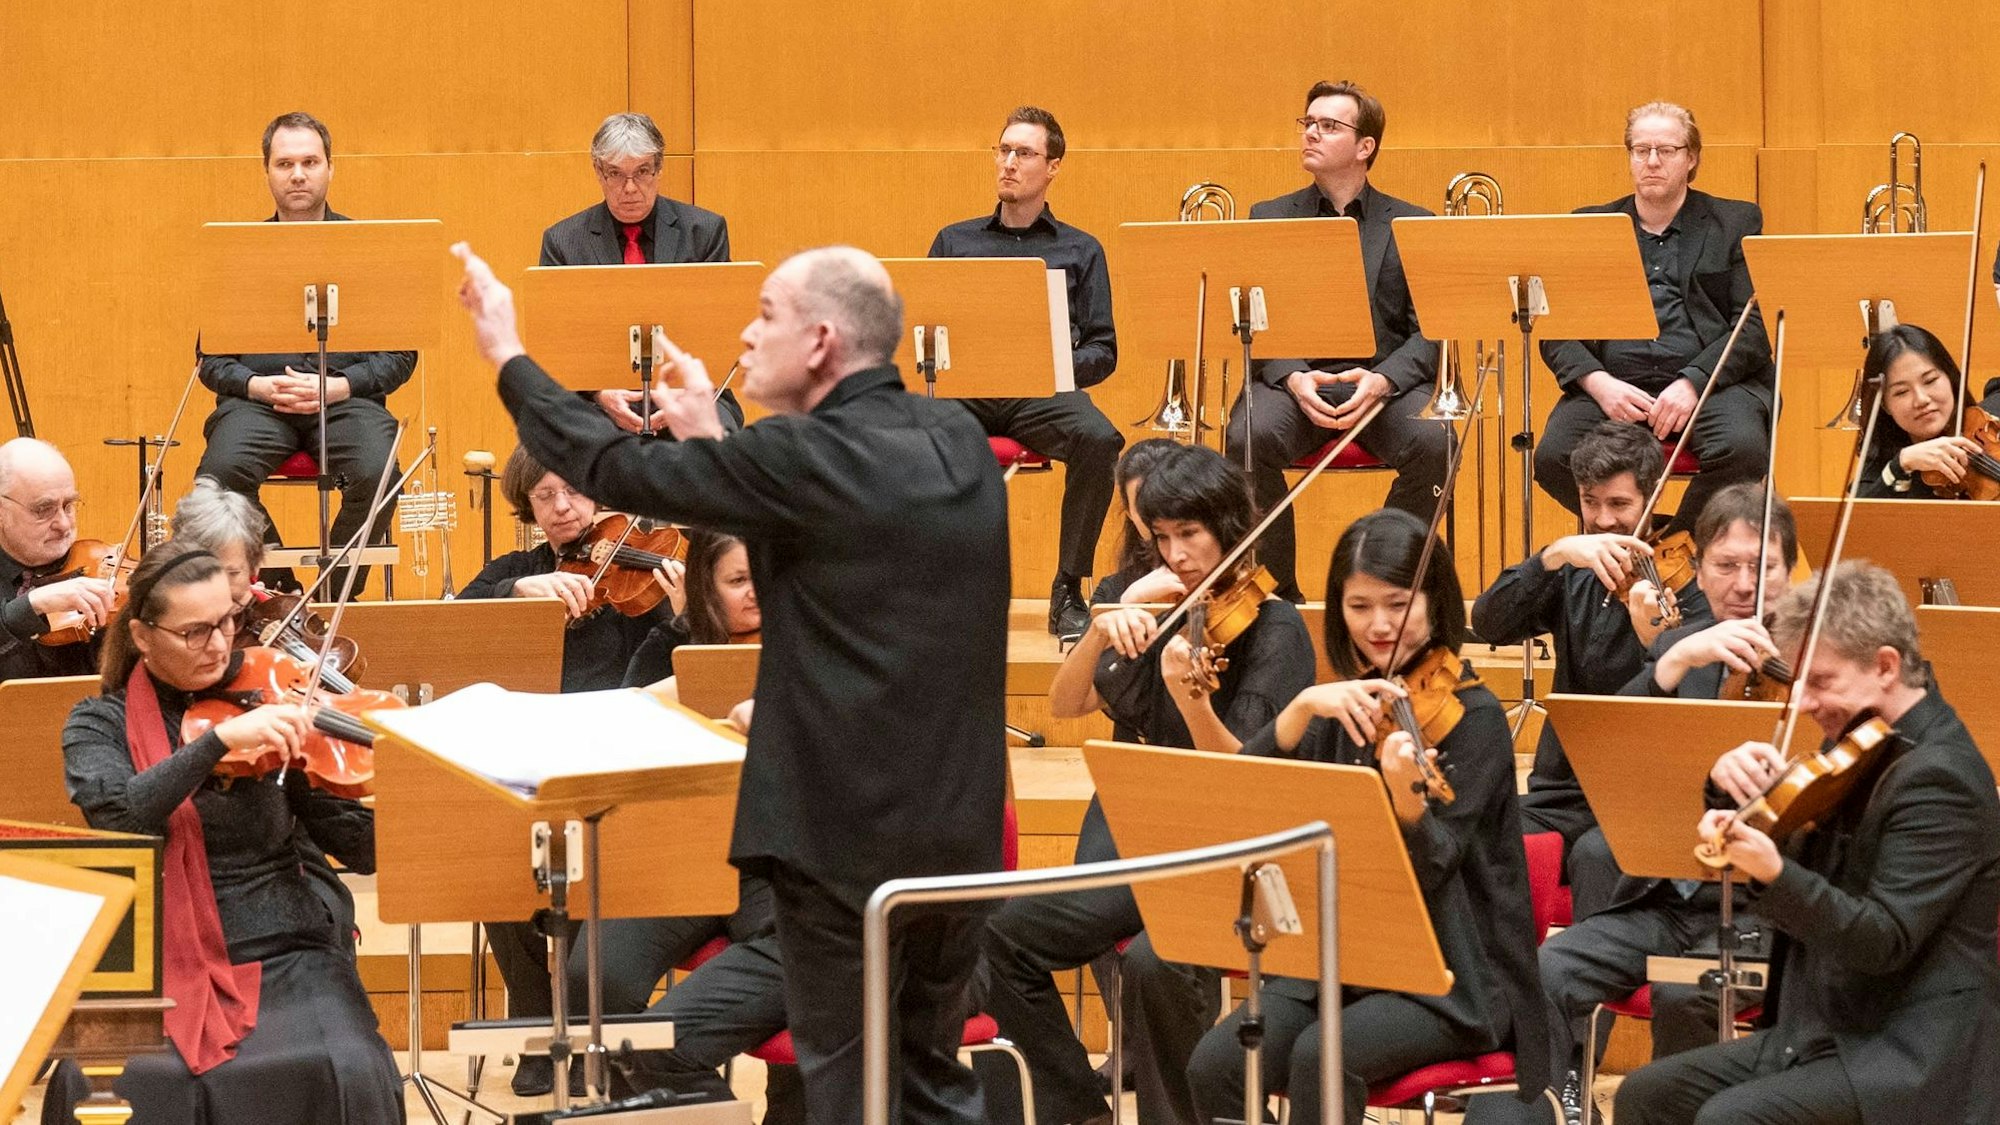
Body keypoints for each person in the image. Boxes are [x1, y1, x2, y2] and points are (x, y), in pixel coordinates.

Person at [455, 240, 1009, 1124]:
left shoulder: (803, 457)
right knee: (927, 1077)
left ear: (822, 340)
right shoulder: (956, 442)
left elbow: (613, 468)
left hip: (842, 842)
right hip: (959, 829)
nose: (745, 338)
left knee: (850, 1089)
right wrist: (715, 443)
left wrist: (507, 356)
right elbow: (835, 552)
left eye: (764, 315)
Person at [979, 442, 1315, 1125]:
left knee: (1155, 964)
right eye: (1161, 538)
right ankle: (1078, 1107)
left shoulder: (1276, 628)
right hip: (1141, 817)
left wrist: (1191, 699)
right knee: (997, 933)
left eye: (1189, 534)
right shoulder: (1153, 603)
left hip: (1228, 838)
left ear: (1229, 527)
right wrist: (1105, 625)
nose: (1177, 554)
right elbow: (1066, 703)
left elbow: (1244, 772)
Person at [1186, 508, 1548, 1124]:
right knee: (1215, 1066)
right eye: (1358, 607)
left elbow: (1438, 868)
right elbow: (1248, 802)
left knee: (1320, 1056)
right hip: (1343, 958)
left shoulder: (1476, 718)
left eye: (1398, 603)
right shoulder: (1339, 705)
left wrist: (1408, 805)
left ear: (1435, 601)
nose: (1380, 626)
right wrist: (1297, 711)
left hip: (1453, 973)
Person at [1616, 561, 2000, 1125]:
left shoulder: (1940, 778)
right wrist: (1727, 795)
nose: (1803, 704)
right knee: (1646, 1096)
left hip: (1909, 1052)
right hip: (1826, 1030)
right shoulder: (1861, 748)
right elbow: (1794, 856)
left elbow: (1881, 939)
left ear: (1886, 666)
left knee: (1732, 1118)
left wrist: (1775, 874)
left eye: (1821, 682)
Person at [41, 544, 401, 1124]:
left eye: (228, 622)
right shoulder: (96, 723)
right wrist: (216, 746)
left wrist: (412, 785)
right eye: (195, 631)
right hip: (155, 957)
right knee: (94, 1079)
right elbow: (121, 819)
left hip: (285, 947)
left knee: (349, 1062)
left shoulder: (269, 697)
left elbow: (356, 844)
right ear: (142, 635)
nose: (219, 644)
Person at [1491, 484, 1796, 1124]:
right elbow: (1610, 757)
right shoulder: (1684, 648)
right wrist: (1671, 659)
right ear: (1701, 570)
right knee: (1548, 971)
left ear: (1790, 570)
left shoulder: (1816, 662)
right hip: (1667, 898)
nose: (1744, 584)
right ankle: (1560, 1108)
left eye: (1762, 567)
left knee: (1685, 991)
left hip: (1768, 914)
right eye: (1726, 566)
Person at [457, 445, 678, 1095]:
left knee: (588, 864)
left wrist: (672, 605)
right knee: (500, 869)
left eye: (575, 493)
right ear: (526, 506)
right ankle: (534, 1031)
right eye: (545, 496)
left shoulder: (634, 580)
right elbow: (455, 616)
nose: (563, 508)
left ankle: (583, 1031)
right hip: (530, 757)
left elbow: (671, 667)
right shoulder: (517, 570)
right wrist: (517, 592)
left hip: (616, 758)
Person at [1472, 422, 1707, 915]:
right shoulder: (1575, 567)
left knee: (1593, 858)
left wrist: (1655, 641)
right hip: (1563, 794)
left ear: (1652, 494)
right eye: (1590, 502)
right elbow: (1489, 622)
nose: (1602, 521)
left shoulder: (1693, 579)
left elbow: (1698, 700)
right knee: (1475, 835)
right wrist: (1552, 558)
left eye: (1619, 505)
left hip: (1645, 794)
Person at [1224, 79, 1443, 601]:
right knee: (1245, 436)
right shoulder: (1268, 216)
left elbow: (1432, 329)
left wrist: (1384, 380)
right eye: (1308, 123)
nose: (1311, 134)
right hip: (1295, 382)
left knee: (1438, 443)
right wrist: (1294, 377)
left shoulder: (1414, 223)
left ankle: (1390, 582)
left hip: (1383, 384)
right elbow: (1256, 320)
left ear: (1365, 147)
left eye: (1328, 126)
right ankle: (1278, 595)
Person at [192, 112, 414, 595]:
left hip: (345, 400)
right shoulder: (237, 253)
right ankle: (278, 592)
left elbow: (401, 356)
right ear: (267, 171)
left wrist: (340, 385)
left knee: (381, 473)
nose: (297, 174)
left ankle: (333, 596)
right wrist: (255, 385)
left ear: (330, 168)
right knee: (218, 479)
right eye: (284, 163)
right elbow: (209, 360)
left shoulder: (367, 249)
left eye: (309, 162)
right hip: (257, 403)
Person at [929, 105, 1123, 639]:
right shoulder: (954, 241)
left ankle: (1068, 587)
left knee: (1100, 439)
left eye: (1025, 153)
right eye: (1004, 150)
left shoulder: (1082, 249)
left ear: (1053, 166)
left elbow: (1105, 350)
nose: (1009, 163)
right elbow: (924, 329)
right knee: (904, 431)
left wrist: (1054, 367)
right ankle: (935, 584)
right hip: (966, 390)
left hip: (1041, 392)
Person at [1535, 101, 1772, 534]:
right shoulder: (1590, 224)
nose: (1653, 161)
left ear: (1692, 158)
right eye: (1640, 150)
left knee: (1744, 449)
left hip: (1708, 386)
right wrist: (1597, 383)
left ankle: (1674, 544)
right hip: (1614, 383)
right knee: (1552, 457)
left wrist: (1693, 382)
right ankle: (1635, 535)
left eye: (1667, 149)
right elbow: (1556, 329)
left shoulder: (1736, 221)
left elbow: (1752, 326)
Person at [169, 475, 360, 956]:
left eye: (231, 574)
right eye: (200, 569)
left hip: (276, 842)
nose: (216, 590)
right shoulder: (159, 643)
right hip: (179, 841)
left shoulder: (275, 660)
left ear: (255, 571)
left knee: (325, 911)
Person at [540, 111, 745, 434]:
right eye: (616, 174)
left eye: (642, 172)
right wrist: (599, 394)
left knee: (720, 435)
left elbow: (717, 336)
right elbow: (555, 346)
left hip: (689, 392)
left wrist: (678, 393)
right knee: (559, 435)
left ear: (659, 169)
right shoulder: (564, 241)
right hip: (595, 401)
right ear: (598, 172)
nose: (630, 188)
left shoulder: (704, 231)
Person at [0, 437, 109, 681]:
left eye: (69, 505)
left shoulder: (95, 568)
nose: (63, 524)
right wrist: (33, 604)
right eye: (43, 510)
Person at [1854, 322, 1996, 498]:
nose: (1921, 399)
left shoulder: (1990, 419)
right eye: (1902, 392)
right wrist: (1901, 465)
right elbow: (1860, 521)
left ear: (1950, 378)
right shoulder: (1884, 473)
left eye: (1930, 380)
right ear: (1884, 405)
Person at [623, 525, 762, 691]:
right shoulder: (669, 640)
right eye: (738, 580)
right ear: (706, 585)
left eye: (762, 575)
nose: (756, 593)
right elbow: (628, 708)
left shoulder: (789, 629)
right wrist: (688, 684)